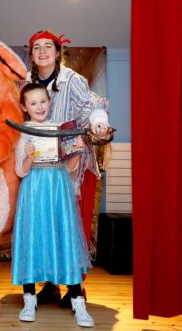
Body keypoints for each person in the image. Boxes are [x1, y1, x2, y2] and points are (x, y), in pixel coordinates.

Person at [25, 30, 110, 308]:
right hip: (42, 169)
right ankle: (49, 285)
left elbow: (91, 106)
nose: (42, 51)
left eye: (48, 46)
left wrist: (98, 121)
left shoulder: (72, 80)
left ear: (58, 52)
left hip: (74, 166)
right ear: (32, 54)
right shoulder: (28, 83)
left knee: (73, 227)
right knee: (48, 226)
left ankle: (76, 289)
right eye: (36, 48)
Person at [12, 83, 93, 327]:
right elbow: (20, 171)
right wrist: (27, 156)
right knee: (32, 238)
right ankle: (29, 299)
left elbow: (69, 167)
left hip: (58, 188)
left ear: (50, 102)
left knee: (65, 238)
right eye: (33, 103)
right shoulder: (23, 131)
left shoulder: (62, 128)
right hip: (34, 189)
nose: (39, 106)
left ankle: (78, 302)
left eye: (43, 101)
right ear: (24, 107)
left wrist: (76, 152)